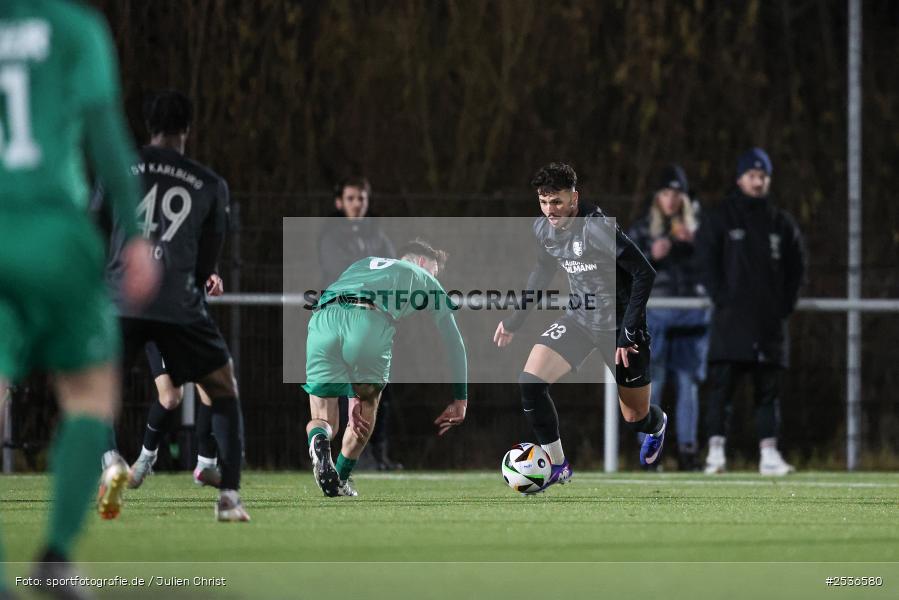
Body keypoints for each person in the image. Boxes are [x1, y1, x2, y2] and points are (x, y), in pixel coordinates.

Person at [0, 0, 159, 593]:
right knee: (90, 389)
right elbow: (105, 134)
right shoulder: (75, 30)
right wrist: (136, 234)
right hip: (55, 234)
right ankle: (56, 558)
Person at [98, 90, 249, 520]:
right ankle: (229, 497)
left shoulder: (116, 169)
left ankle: (110, 460)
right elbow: (205, 261)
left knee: (93, 389)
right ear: (188, 129)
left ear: (148, 126)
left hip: (121, 299)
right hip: (178, 305)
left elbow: (94, 229)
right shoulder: (209, 183)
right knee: (223, 388)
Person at [494, 163, 663, 489]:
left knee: (635, 418)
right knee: (530, 383)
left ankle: (656, 425)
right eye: (544, 202)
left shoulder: (596, 228)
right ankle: (558, 465)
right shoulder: (543, 230)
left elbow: (645, 273)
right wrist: (515, 320)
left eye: (556, 201)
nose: (550, 210)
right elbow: (543, 272)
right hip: (579, 319)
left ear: (574, 198)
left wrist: (629, 331)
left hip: (620, 328)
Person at [304, 240, 468, 496]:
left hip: (323, 320)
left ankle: (319, 440)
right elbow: (454, 342)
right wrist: (460, 398)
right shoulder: (422, 276)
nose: (434, 277)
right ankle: (339, 479)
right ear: (422, 262)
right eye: (434, 271)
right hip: (368, 321)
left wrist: (353, 393)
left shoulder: (363, 263)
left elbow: (346, 309)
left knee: (325, 419)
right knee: (366, 413)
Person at [695, 148, 806, 476]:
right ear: (740, 179)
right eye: (752, 176)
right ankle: (715, 453)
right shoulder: (721, 218)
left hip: (768, 324)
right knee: (721, 390)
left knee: (768, 393)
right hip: (730, 322)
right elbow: (706, 260)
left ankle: (769, 454)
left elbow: (797, 268)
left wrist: (783, 306)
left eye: (763, 176)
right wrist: (721, 298)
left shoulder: (781, 223)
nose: (758, 182)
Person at [628, 165, 710, 471]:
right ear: (657, 197)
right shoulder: (642, 229)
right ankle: (650, 452)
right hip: (656, 314)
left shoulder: (699, 228)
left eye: (677, 193)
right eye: (666, 193)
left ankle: (688, 451)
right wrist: (651, 254)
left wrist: (697, 245)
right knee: (655, 382)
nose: (671, 199)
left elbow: (717, 265)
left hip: (691, 314)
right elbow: (623, 266)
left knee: (688, 384)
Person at [318, 178, 402, 470]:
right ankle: (355, 456)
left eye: (361, 198)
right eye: (351, 198)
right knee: (350, 392)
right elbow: (341, 272)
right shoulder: (331, 235)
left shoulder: (376, 234)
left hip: (375, 322)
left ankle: (379, 454)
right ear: (339, 202)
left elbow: (394, 269)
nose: (357, 204)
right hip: (344, 320)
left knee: (380, 390)